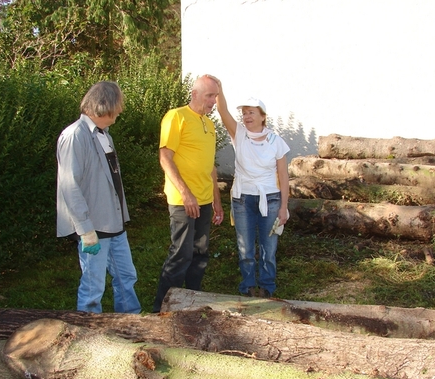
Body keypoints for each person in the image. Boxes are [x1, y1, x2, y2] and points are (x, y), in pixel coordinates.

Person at [56, 81, 141, 314]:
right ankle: (89, 334)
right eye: (118, 105)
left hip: (114, 223)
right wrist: (85, 229)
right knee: (94, 286)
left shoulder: (105, 136)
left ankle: (131, 324)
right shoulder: (74, 136)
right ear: (106, 105)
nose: (121, 111)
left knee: (126, 276)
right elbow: (69, 184)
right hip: (93, 226)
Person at [152, 75, 224, 312]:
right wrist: (185, 193)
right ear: (194, 94)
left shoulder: (210, 125)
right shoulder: (177, 116)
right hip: (184, 201)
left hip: (204, 201)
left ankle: (192, 307)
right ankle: (162, 310)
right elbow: (165, 157)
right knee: (181, 256)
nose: (213, 101)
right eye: (209, 96)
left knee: (200, 256)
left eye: (215, 96)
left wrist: (217, 201)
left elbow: (210, 167)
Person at [213, 77, 290, 298]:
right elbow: (223, 111)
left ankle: (267, 288)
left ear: (263, 117)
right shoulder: (239, 133)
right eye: (244, 113)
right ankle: (247, 288)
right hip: (242, 199)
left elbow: (283, 177)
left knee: (269, 250)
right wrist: (219, 89)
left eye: (251, 112)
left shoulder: (276, 142)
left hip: (271, 199)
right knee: (245, 249)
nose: (246, 116)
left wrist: (283, 207)